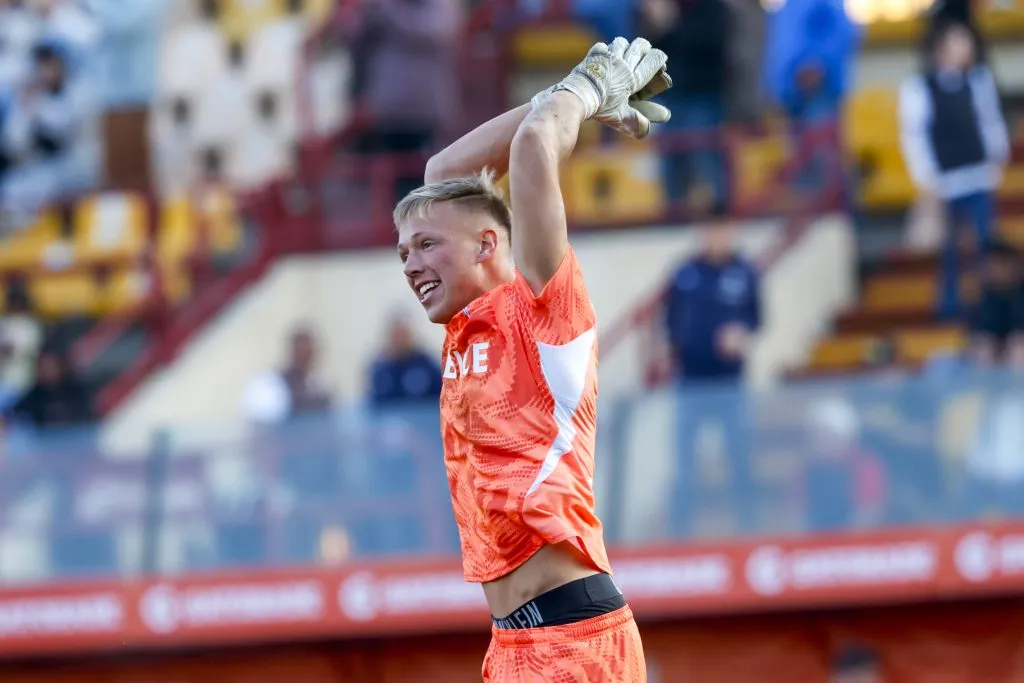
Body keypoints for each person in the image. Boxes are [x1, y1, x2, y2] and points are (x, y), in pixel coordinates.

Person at [394, 36, 671, 681]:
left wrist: (585, 92)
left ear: (488, 242)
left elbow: (531, 149)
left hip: (575, 639)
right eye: (403, 252)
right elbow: (442, 172)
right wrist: (570, 90)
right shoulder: (467, 327)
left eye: (426, 246)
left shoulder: (544, 308)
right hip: (511, 645)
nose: (411, 265)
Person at [899, 20, 1009, 318]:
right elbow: (914, 134)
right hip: (946, 180)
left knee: (986, 243)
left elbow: (989, 121)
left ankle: (991, 306)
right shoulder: (920, 87)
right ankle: (949, 307)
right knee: (950, 251)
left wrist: (996, 157)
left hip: (978, 175)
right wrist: (926, 176)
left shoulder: (978, 80)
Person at [662, 204, 760, 536]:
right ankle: (682, 529)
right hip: (691, 381)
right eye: (711, 230)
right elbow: (670, 321)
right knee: (687, 460)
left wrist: (742, 335)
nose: (718, 237)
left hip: (729, 381)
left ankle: (746, 524)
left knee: (738, 454)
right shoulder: (686, 273)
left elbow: (756, 317)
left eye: (723, 230)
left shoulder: (744, 272)